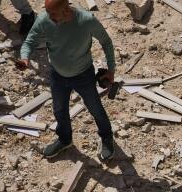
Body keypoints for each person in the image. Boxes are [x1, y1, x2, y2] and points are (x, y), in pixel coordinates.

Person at [16, 0, 116, 161]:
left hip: (84, 75)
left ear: (67, 10)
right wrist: (25, 58)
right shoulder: (44, 20)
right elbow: (29, 41)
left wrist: (111, 70)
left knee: (95, 108)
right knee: (59, 110)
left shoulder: (87, 20)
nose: (49, 17)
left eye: (53, 14)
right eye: (48, 13)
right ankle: (65, 139)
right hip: (58, 75)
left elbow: (106, 42)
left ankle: (106, 137)